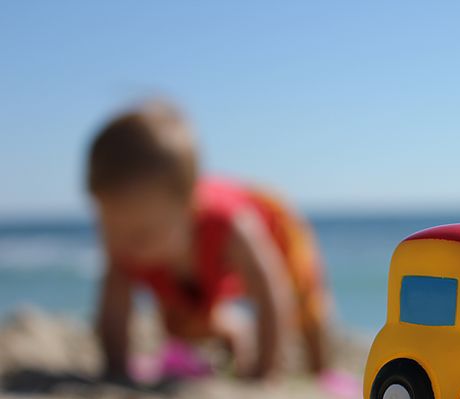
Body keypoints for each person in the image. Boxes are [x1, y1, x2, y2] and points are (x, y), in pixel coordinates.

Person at [87, 101, 329, 381]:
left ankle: (321, 371)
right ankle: (235, 330)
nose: (125, 245)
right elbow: (113, 312)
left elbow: (270, 291)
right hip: (193, 266)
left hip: (275, 232)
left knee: (306, 304)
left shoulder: (227, 222)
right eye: (109, 227)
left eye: (141, 234)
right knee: (179, 323)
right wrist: (117, 369)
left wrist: (263, 371)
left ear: (188, 209)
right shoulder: (129, 241)